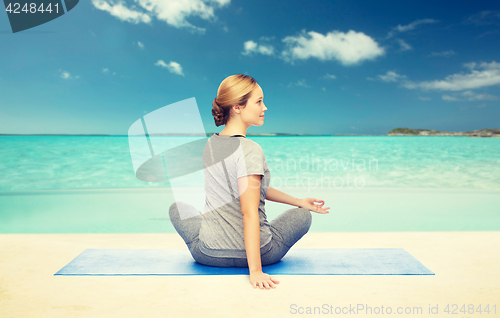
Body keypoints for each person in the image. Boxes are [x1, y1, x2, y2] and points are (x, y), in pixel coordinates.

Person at [169, 74, 330, 290]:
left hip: (209, 254)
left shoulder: (210, 144)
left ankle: (209, 221)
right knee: (302, 216)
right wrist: (255, 270)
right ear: (237, 107)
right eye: (259, 101)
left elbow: (251, 190)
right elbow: (249, 211)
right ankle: (248, 254)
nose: (265, 107)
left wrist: (298, 200)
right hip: (263, 254)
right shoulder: (250, 150)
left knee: (177, 207)